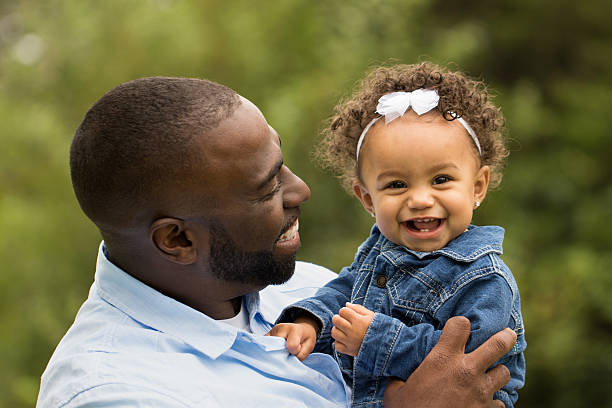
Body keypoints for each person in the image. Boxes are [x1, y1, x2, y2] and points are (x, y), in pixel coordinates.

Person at [36, 76, 517, 407]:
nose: (301, 190)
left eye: (281, 164)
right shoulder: (116, 390)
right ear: (178, 239)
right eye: (267, 186)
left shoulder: (301, 288)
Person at [269, 62, 526, 407]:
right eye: (397, 185)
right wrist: (310, 319)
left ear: (478, 186)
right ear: (367, 199)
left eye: (441, 180)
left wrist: (375, 340)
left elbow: (472, 361)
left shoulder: (485, 279)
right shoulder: (382, 247)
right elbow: (347, 289)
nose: (420, 199)